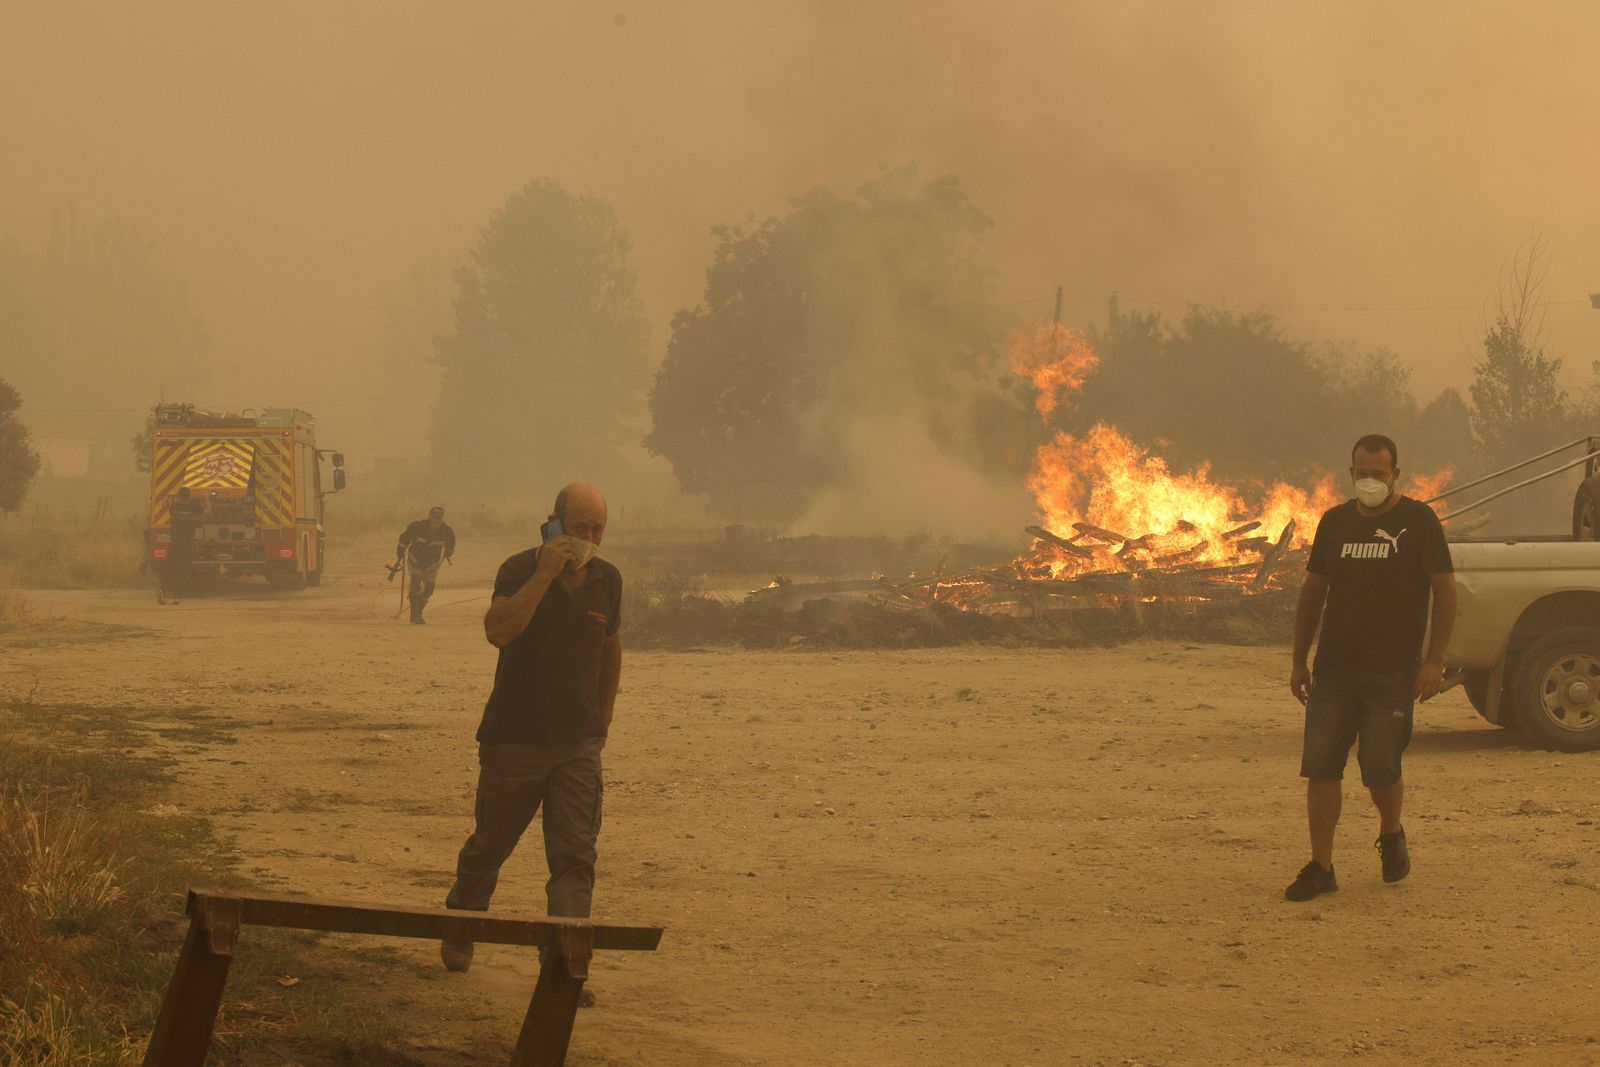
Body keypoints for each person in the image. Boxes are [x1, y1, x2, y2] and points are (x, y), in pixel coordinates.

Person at [441, 482, 623, 981]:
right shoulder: (519, 569)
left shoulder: (608, 579)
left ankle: (563, 964)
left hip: (578, 745)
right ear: (555, 523)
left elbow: (611, 649)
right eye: (580, 526)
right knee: (491, 844)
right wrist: (545, 573)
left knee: (574, 856)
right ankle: (461, 920)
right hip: (514, 740)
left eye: (597, 529)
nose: (589, 537)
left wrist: (603, 718)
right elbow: (499, 631)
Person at [1284, 434, 1457, 902]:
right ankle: (1321, 866)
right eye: (1361, 472)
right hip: (1335, 669)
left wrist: (1434, 660)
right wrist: (1299, 660)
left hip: (1392, 671)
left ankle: (1391, 831)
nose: (1370, 481)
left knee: (1380, 766)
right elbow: (1313, 592)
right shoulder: (1335, 522)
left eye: (1379, 473)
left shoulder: (1419, 521)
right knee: (1321, 768)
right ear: (1351, 472)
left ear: (1395, 475)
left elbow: (1444, 589)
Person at [395, 506, 456, 624]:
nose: (436, 521)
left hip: (432, 564)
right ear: (429, 516)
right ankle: (414, 614)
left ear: (442, 519)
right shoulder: (418, 526)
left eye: (439, 518)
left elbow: (451, 545)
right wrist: (400, 551)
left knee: (429, 589)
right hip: (415, 560)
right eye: (434, 517)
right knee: (415, 582)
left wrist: (449, 552)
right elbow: (404, 538)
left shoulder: (447, 531)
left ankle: (418, 611)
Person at [159, 487, 209, 604]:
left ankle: (163, 590)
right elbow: (209, 513)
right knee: (183, 571)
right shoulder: (194, 508)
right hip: (187, 545)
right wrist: (206, 499)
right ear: (189, 496)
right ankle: (177, 596)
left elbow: (166, 506)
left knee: (170, 569)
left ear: (179, 496)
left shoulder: (174, 508)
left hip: (174, 544)